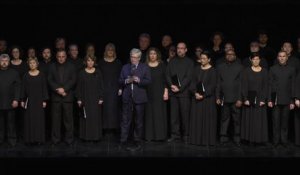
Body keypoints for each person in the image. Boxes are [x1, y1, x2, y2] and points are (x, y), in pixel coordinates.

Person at [119, 48, 151, 151]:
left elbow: (148, 81)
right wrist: (126, 81)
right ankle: (123, 140)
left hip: (140, 98)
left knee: (139, 121)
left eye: (135, 57)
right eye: (132, 57)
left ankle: (137, 141)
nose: (133, 59)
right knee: (125, 120)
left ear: (139, 58)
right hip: (127, 97)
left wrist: (139, 80)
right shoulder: (125, 67)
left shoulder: (144, 67)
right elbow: (119, 80)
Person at [166, 42, 194, 143]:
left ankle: (186, 135)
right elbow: (167, 75)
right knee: (174, 116)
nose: (179, 50)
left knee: (185, 116)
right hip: (173, 92)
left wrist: (180, 88)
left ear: (186, 50)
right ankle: (175, 135)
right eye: (178, 48)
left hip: (184, 93)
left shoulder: (189, 62)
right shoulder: (172, 61)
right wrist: (171, 86)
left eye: (182, 48)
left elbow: (189, 77)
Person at [48, 49, 76, 146]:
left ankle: (69, 139)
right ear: (56, 57)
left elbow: (73, 80)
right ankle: (55, 139)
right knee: (55, 121)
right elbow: (50, 80)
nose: (61, 58)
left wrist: (64, 89)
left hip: (67, 97)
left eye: (63, 56)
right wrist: (58, 90)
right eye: (59, 56)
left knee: (68, 121)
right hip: (56, 98)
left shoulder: (71, 66)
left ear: (66, 56)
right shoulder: (52, 67)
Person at [268, 51, 296, 148]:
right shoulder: (272, 69)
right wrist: (269, 100)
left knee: (285, 122)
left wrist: (292, 101)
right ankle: (275, 141)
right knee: (275, 121)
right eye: (280, 56)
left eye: (284, 56)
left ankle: (284, 141)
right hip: (275, 99)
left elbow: (293, 86)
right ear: (277, 58)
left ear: (287, 58)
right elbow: (270, 85)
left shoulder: (292, 69)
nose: (282, 58)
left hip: (287, 100)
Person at [189, 51, 217, 146]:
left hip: (207, 100)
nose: (203, 60)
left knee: (207, 120)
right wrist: (195, 93)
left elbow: (212, 86)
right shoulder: (196, 69)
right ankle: (196, 140)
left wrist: (203, 95)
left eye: (205, 58)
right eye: (201, 58)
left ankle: (206, 141)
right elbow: (192, 82)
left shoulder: (213, 71)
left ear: (209, 59)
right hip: (196, 98)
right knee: (196, 119)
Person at [216, 49, 244, 147]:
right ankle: (223, 137)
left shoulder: (240, 67)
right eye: (228, 54)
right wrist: (217, 97)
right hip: (224, 97)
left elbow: (241, 84)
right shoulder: (220, 67)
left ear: (235, 56)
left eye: (232, 54)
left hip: (236, 98)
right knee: (224, 118)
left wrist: (240, 99)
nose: (230, 56)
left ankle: (237, 138)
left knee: (236, 119)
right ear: (225, 56)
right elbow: (218, 83)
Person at [241, 53, 268, 145]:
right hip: (249, 98)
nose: (256, 61)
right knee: (249, 119)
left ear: (260, 60)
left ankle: (259, 140)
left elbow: (266, 86)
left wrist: (263, 99)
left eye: (257, 59)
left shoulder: (264, 71)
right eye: (254, 59)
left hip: (260, 99)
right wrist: (245, 99)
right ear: (251, 60)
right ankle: (249, 139)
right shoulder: (246, 71)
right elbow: (244, 86)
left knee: (259, 120)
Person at [20, 57, 48, 145]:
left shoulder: (42, 75)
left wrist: (44, 100)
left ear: (37, 64)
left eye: (34, 63)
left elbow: (44, 88)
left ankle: (39, 139)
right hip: (29, 101)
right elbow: (22, 89)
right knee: (29, 120)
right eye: (30, 63)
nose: (32, 64)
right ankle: (30, 140)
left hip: (39, 100)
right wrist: (22, 100)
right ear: (28, 64)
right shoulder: (25, 75)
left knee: (39, 120)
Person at [76, 56, 104, 141]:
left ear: (94, 62)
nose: (90, 62)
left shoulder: (98, 72)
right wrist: (79, 99)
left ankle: (95, 137)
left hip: (95, 99)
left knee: (95, 118)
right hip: (85, 99)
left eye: (92, 61)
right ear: (86, 62)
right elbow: (79, 87)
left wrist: (101, 97)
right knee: (86, 118)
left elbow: (101, 86)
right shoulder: (81, 73)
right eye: (88, 61)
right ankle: (86, 137)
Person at [98, 43, 122, 140]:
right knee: (105, 109)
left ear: (114, 51)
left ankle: (114, 128)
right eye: (108, 50)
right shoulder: (101, 63)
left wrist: (120, 88)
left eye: (112, 50)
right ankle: (105, 129)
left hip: (115, 89)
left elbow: (121, 76)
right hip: (104, 89)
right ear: (105, 51)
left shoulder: (118, 62)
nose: (110, 52)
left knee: (114, 109)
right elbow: (98, 77)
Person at [145, 47, 168, 141]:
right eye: (151, 54)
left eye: (154, 53)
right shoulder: (145, 66)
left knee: (159, 114)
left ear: (157, 55)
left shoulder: (162, 65)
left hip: (159, 93)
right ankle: (149, 136)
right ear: (148, 55)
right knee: (149, 114)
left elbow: (166, 79)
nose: (152, 55)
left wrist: (166, 92)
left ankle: (160, 136)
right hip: (148, 93)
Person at [0, 54, 21, 147]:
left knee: (11, 123)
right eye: (2, 61)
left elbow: (18, 87)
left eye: (6, 61)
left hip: (10, 102)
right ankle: (0, 139)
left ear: (9, 62)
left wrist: (16, 99)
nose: (4, 62)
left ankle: (12, 139)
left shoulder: (14, 73)